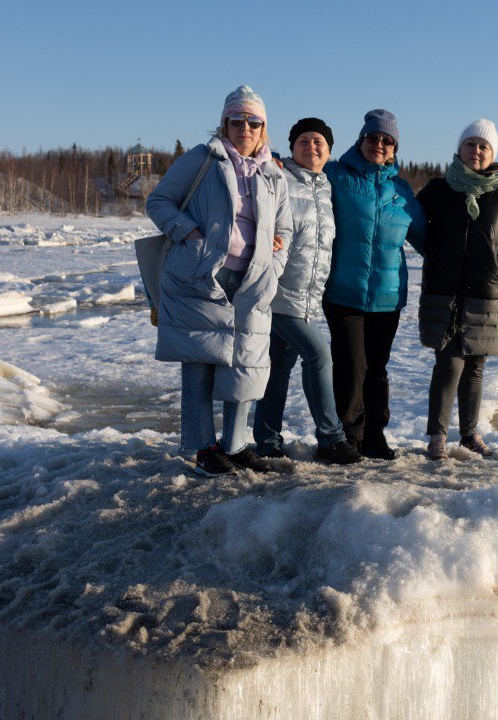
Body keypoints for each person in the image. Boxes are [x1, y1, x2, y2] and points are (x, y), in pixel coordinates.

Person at [146, 85, 292, 476]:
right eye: (237, 121)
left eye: (253, 122)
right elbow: (158, 202)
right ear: (224, 124)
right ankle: (204, 448)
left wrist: (273, 264)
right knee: (199, 362)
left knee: (246, 363)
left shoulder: (273, 174)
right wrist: (190, 234)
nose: (245, 128)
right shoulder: (202, 159)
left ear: (263, 128)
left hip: (251, 280)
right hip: (201, 276)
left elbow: (285, 229)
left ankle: (236, 444)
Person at [415, 119, 498, 460]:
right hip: (445, 291)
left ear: (492, 153)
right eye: (470, 144)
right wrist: (435, 254)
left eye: (484, 146)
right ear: (460, 148)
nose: (476, 151)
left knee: (475, 367)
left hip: (486, 293)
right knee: (449, 363)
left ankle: (469, 435)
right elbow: (412, 224)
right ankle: (437, 437)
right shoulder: (438, 190)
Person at [252, 118, 363, 465]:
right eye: (304, 140)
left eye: (319, 142)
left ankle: (267, 442)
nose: (311, 147)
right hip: (278, 291)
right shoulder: (278, 177)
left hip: (309, 296)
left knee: (279, 368)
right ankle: (331, 438)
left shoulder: (327, 187)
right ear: (292, 147)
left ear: (328, 151)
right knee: (319, 356)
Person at [323, 109, 425, 459]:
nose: (379, 144)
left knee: (377, 369)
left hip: (387, 296)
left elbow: (426, 238)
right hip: (343, 291)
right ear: (361, 139)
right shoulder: (336, 175)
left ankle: (374, 436)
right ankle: (347, 437)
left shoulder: (401, 190)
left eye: (387, 140)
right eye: (373, 137)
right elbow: (301, 179)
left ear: (395, 148)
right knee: (351, 366)